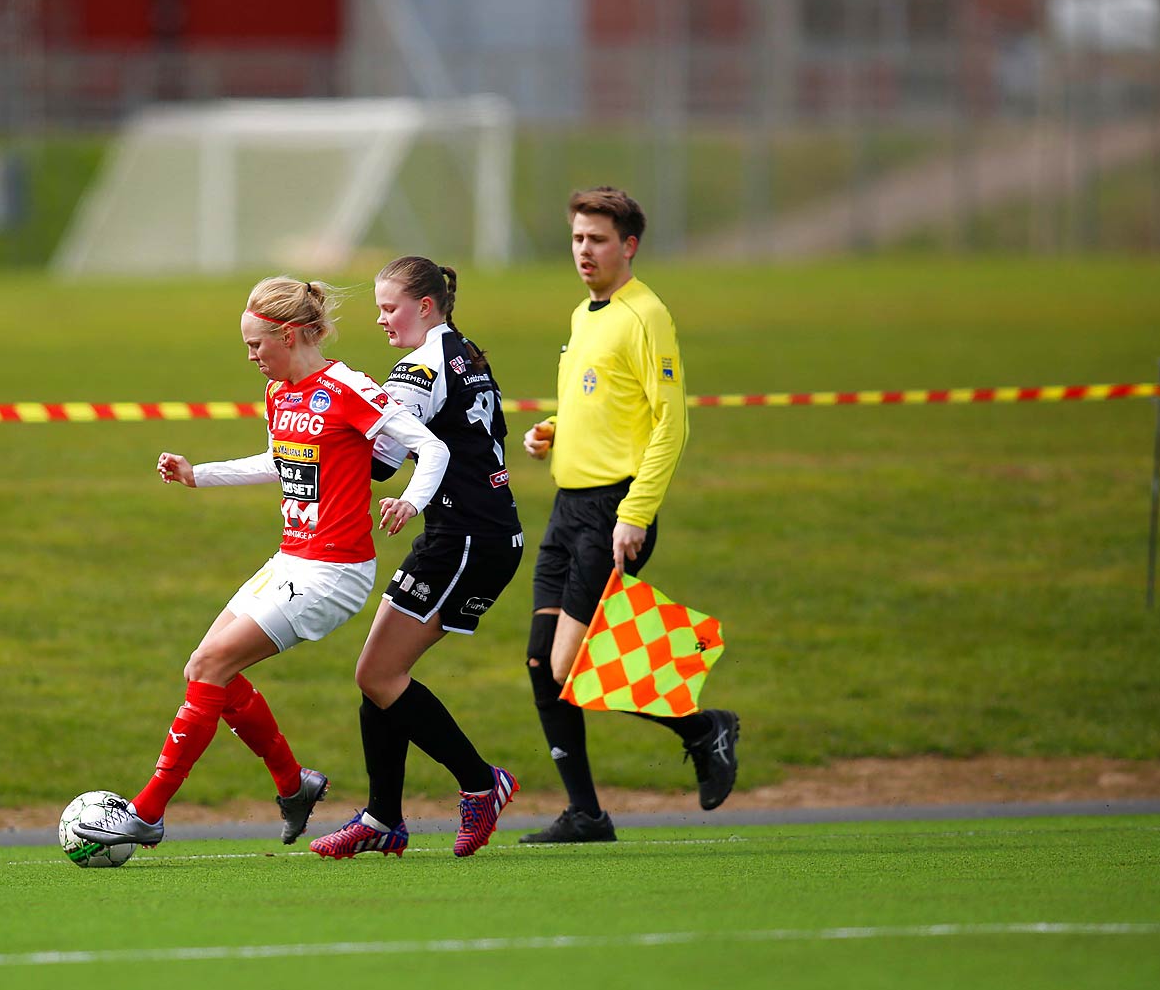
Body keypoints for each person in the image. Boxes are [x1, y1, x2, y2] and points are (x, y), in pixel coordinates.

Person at [72, 276, 451, 850]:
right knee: (203, 668)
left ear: (293, 334)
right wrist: (199, 473)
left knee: (213, 666)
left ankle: (148, 812)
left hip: (334, 572)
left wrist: (411, 501)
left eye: (257, 345)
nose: (251, 356)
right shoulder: (280, 393)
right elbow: (280, 461)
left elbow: (433, 447)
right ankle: (293, 783)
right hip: (290, 559)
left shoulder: (347, 388)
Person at [520, 187, 740, 844]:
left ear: (629, 246)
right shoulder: (584, 314)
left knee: (567, 667)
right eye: (578, 239)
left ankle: (705, 728)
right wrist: (553, 432)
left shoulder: (648, 315)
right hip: (567, 508)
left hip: (613, 509)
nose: (584, 251)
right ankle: (586, 813)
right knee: (540, 662)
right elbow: (607, 404)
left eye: (598, 240)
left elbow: (670, 424)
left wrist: (636, 513)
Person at [309, 257, 525, 859]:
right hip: (477, 535)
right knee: (379, 677)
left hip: (464, 539)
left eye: (388, 307)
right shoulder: (465, 350)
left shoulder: (419, 368)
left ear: (425, 305)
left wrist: (314, 431)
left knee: (377, 675)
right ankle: (383, 817)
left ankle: (482, 784)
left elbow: (377, 461)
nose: (381, 320)